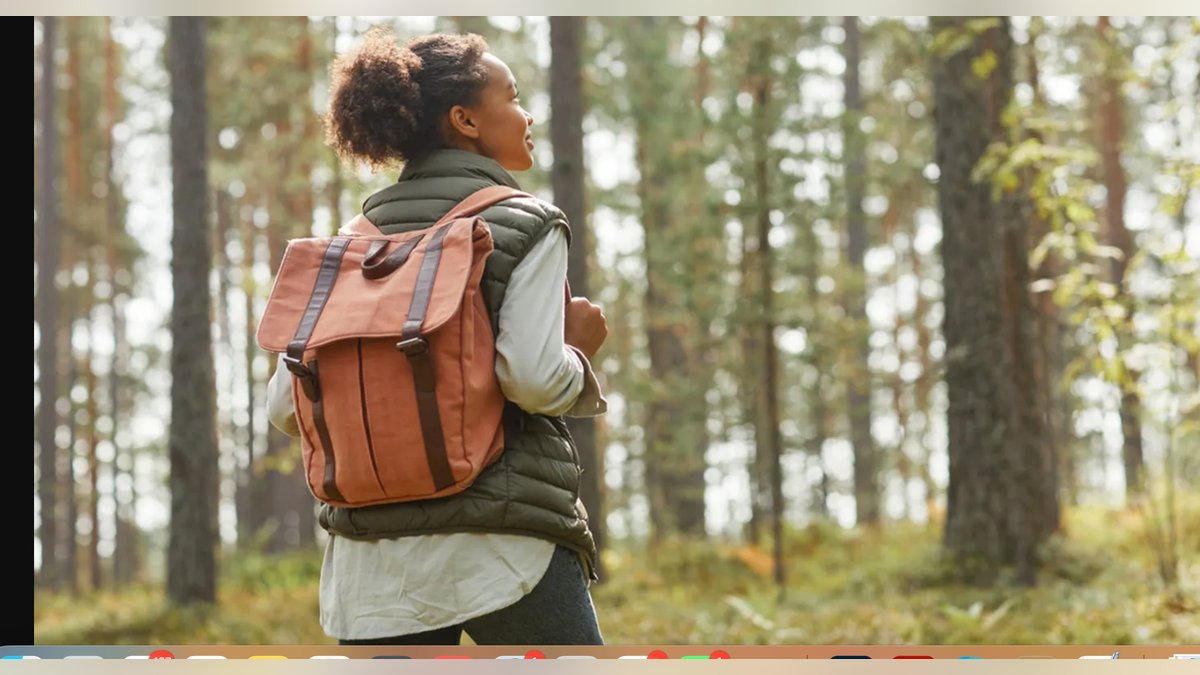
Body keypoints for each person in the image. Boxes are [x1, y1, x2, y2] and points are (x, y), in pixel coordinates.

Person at [266, 27, 609, 646]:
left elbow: (283, 406)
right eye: (512, 95)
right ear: (466, 120)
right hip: (506, 550)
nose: (527, 112)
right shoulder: (523, 221)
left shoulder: (350, 244)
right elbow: (532, 379)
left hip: (372, 571)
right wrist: (579, 351)